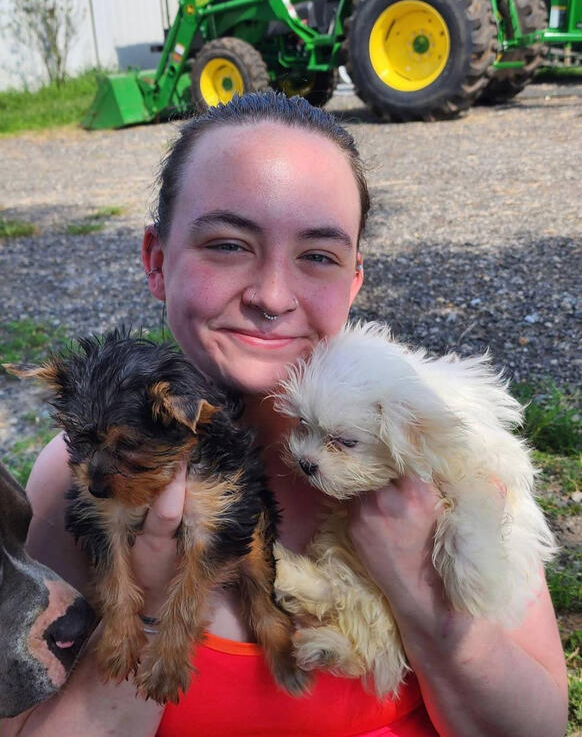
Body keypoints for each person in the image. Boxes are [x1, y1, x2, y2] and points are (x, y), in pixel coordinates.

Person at [2, 92, 567, 737]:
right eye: (227, 244)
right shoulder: (87, 480)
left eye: (319, 256)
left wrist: (424, 597)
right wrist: (155, 609)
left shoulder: (435, 452)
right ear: (158, 262)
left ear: (355, 279)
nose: (272, 296)